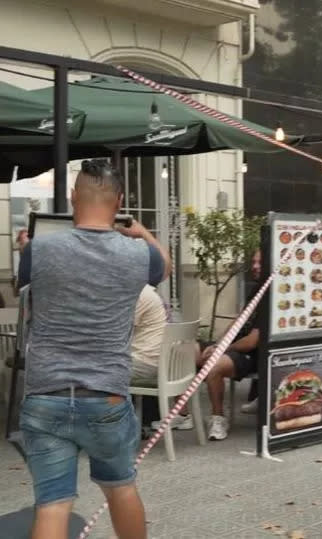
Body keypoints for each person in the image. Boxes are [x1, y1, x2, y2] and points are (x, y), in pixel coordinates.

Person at [17, 159, 170, 539]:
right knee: (121, 488)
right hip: (107, 398)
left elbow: (24, 286)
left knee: (53, 503)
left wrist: (25, 249)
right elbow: (164, 267)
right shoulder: (137, 255)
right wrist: (143, 233)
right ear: (119, 202)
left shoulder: (40, 250)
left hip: (45, 396)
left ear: (72, 198)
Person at [196, 249, 261, 440]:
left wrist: (222, 349)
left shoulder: (276, 296)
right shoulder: (258, 288)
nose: (255, 267)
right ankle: (183, 415)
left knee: (214, 366)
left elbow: (251, 342)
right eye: (254, 262)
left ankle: (218, 418)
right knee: (188, 350)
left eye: (260, 263)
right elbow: (241, 318)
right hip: (234, 346)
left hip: (254, 354)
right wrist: (219, 343)